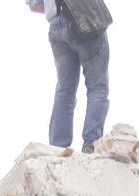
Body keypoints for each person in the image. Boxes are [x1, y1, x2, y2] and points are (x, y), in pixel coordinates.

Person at [27, 0, 111, 154]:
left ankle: (58, 146)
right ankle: (91, 145)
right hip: (86, 19)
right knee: (97, 87)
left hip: (56, 25)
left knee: (65, 89)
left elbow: (34, 5)